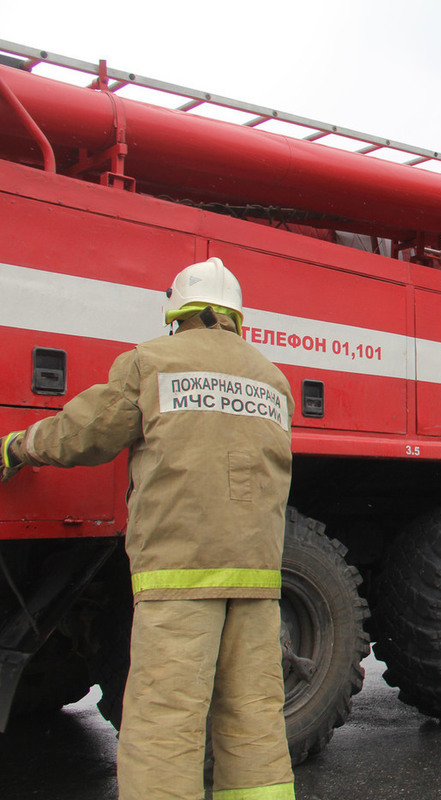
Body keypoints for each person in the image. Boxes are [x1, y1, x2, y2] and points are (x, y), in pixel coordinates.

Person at [0, 258, 296, 799]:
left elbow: (86, 432)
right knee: (253, 713)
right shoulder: (272, 378)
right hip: (257, 575)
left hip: (181, 574)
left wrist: (19, 446)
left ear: (177, 311)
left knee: (166, 718)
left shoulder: (151, 363)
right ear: (234, 314)